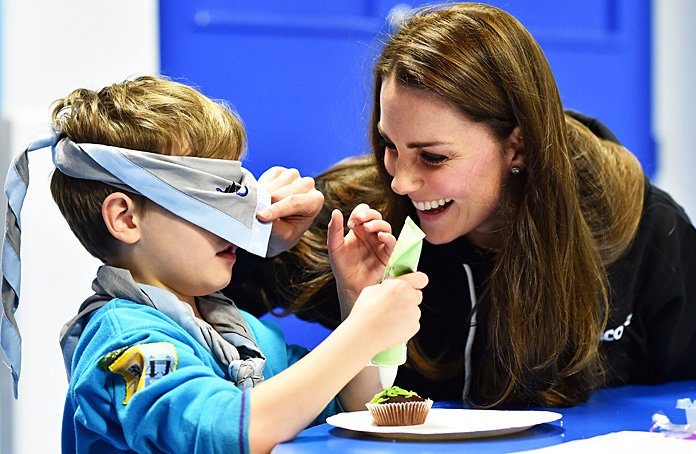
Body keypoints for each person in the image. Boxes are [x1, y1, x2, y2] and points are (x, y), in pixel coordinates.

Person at [225, 3, 696, 408]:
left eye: (433, 156)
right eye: (390, 146)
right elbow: (181, 291)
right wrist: (257, 237)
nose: (401, 181)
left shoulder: (645, 229)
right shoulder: (361, 221)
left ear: (518, 147)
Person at [0, 76, 427, 454]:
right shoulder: (125, 341)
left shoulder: (248, 333)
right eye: (208, 201)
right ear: (125, 218)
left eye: (239, 195)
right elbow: (222, 434)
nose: (235, 220)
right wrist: (362, 332)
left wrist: (355, 301)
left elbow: (353, 406)